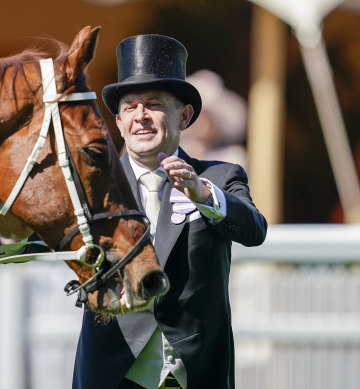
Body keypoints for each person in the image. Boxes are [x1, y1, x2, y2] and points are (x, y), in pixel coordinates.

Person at [70, 35, 267, 389]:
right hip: (112, 373)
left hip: (197, 371)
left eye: (154, 104)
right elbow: (33, 238)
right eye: (130, 107)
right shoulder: (92, 187)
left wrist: (203, 194)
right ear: (118, 121)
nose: (141, 116)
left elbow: (255, 231)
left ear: (185, 115)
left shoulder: (220, 177)